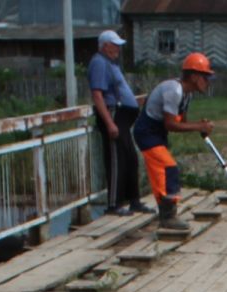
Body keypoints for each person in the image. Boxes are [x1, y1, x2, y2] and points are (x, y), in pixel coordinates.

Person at [132, 52, 216, 229]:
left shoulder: (187, 95)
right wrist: (198, 127)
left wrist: (199, 125)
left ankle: (166, 213)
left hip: (157, 134)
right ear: (193, 76)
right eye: (205, 77)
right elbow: (171, 124)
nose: (208, 82)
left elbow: (182, 123)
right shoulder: (174, 91)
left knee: (161, 171)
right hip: (147, 133)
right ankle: (168, 217)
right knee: (168, 167)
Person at [88, 30, 149, 216]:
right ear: (105, 45)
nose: (118, 48)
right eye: (114, 45)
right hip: (113, 114)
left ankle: (134, 201)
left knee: (130, 158)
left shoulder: (111, 63)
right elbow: (97, 95)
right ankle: (113, 204)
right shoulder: (99, 62)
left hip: (123, 116)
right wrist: (109, 123)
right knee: (116, 161)